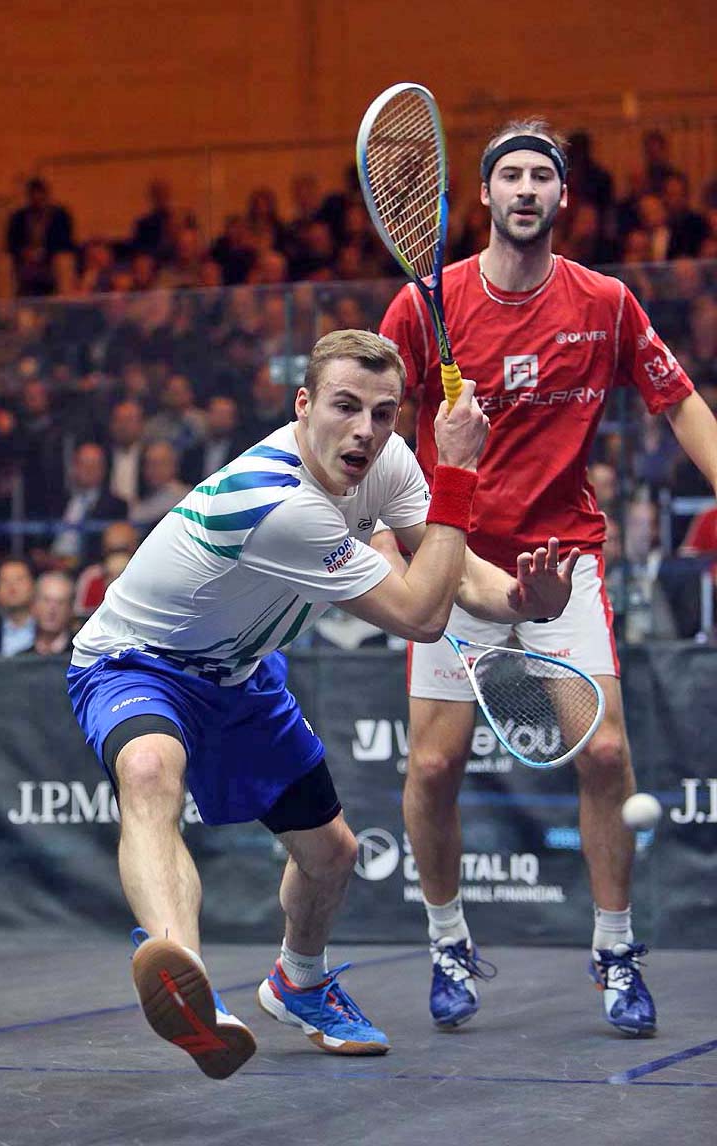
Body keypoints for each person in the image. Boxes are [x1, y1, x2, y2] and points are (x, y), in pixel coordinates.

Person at [66, 329, 578, 1080]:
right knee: (148, 770)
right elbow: (420, 615)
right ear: (303, 404)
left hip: (241, 674)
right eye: (345, 406)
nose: (365, 430)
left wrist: (525, 599)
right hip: (136, 663)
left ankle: (299, 983)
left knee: (332, 855)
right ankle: (184, 979)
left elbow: (457, 572)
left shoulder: (387, 464)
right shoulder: (277, 502)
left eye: (383, 413)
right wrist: (460, 470)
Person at [378, 120, 717, 1038]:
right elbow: (375, 427)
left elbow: (679, 401)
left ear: (563, 197)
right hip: (454, 561)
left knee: (603, 755)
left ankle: (616, 950)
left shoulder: (605, 302)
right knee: (434, 766)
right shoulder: (424, 306)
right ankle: (448, 941)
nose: (526, 188)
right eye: (511, 175)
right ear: (486, 195)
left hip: (562, 563)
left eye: (541, 176)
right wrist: (386, 532)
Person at [22, 571, 76, 656]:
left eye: (60, 602)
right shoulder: (20, 659)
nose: (52, 610)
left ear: (70, 609)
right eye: (46, 601)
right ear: (33, 606)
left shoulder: (85, 657)